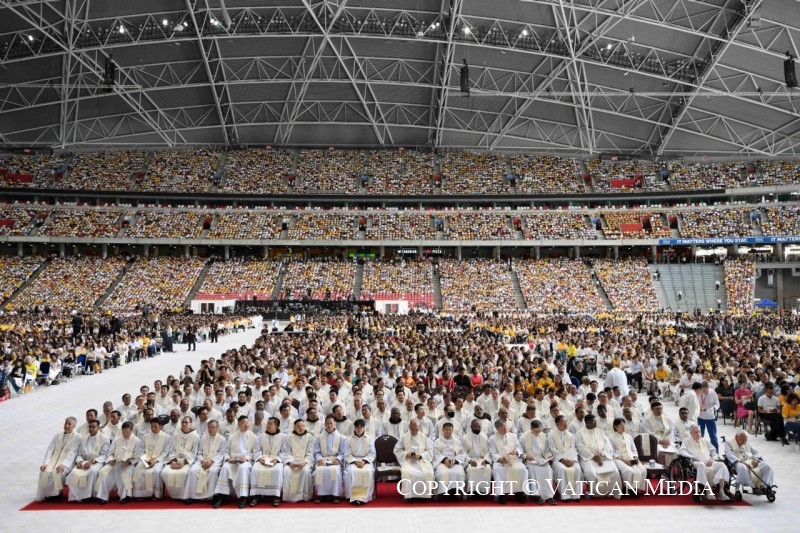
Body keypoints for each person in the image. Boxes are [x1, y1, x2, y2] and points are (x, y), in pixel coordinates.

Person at [214, 415, 258, 508]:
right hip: (233, 460)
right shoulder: (232, 436)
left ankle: (243, 497)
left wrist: (246, 458)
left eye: (247, 422)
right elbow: (226, 451)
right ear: (238, 424)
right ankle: (222, 496)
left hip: (245, 461)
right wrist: (228, 458)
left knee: (243, 468)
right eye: (243, 423)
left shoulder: (253, 436)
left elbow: (255, 452)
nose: (246, 424)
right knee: (225, 468)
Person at [94, 421, 142, 504]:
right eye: (123, 432)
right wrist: (110, 459)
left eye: (127, 432)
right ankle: (103, 496)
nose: (125, 434)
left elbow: (138, 455)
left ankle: (124, 496)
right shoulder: (117, 440)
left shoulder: (137, 441)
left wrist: (130, 461)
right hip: (115, 463)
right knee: (103, 472)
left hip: (127, 465)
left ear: (131, 430)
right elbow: (110, 453)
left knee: (125, 473)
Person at [575, 414, 622, 499]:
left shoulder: (600, 431)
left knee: (614, 472)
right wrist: (593, 456)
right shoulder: (579, 433)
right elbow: (580, 446)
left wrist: (603, 454)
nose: (596, 422)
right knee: (592, 473)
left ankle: (611, 492)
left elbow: (608, 444)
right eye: (594, 421)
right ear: (587, 422)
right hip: (589, 458)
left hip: (603, 456)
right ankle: (596, 494)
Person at [679, 425, 730, 501]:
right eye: (695, 432)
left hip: (708, 462)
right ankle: (708, 491)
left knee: (722, 465)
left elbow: (714, 452)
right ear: (691, 433)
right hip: (696, 462)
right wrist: (692, 457)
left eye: (699, 432)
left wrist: (712, 459)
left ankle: (721, 490)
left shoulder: (704, 441)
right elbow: (682, 451)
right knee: (701, 465)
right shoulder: (687, 441)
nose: (698, 434)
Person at [37, 417, 80, 502]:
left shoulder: (77, 437)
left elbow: (73, 453)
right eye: (65, 423)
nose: (66, 426)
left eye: (69, 424)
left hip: (67, 463)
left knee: (56, 473)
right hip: (54, 461)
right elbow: (50, 450)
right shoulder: (57, 436)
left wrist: (64, 464)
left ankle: (57, 494)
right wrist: (45, 463)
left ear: (74, 426)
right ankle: (46, 494)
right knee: (44, 472)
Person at [65, 419, 110, 502]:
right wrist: (79, 461)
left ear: (98, 427)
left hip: (97, 462)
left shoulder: (104, 438)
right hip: (84, 461)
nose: (91, 429)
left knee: (92, 471)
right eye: (90, 427)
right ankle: (77, 496)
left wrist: (92, 462)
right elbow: (79, 454)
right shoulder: (84, 438)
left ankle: (89, 495)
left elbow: (104, 455)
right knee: (74, 472)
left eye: (93, 427)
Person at [184, 420, 226, 505]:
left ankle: (213, 496)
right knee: (193, 471)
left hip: (215, 462)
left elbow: (222, 453)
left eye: (213, 427)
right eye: (209, 427)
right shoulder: (203, 438)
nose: (211, 429)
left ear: (217, 428)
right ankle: (192, 496)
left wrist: (211, 461)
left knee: (213, 472)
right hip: (202, 461)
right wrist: (202, 461)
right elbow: (199, 452)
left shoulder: (222, 439)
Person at [132, 417, 173, 500]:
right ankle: (141, 494)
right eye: (152, 427)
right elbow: (141, 450)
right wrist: (146, 460)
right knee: (138, 470)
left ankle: (156, 494)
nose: (153, 429)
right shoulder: (145, 436)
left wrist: (156, 460)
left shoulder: (167, 437)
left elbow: (166, 452)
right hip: (146, 459)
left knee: (156, 472)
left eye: (155, 426)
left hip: (159, 460)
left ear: (160, 426)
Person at [394, 418, 435, 499]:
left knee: (429, 472)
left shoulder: (423, 437)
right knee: (407, 472)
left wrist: (421, 456)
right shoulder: (404, 437)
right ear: (409, 427)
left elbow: (430, 450)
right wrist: (406, 454)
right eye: (412, 429)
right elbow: (397, 450)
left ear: (419, 428)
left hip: (422, 461)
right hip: (408, 461)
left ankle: (425, 495)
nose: (414, 432)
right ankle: (409, 495)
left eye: (416, 430)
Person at [489, 418, 527, 504]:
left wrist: (516, 451)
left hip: (513, 460)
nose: (505, 428)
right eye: (502, 427)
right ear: (497, 428)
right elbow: (493, 452)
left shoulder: (513, 436)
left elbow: (519, 447)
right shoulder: (492, 439)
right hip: (500, 462)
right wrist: (500, 459)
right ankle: (501, 494)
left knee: (523, 470)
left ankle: (520, 493)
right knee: (498, 470)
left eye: (505, 426)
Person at [249, 417, 286, 507]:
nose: (268, 425)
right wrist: (260, 458)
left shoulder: (283, 437)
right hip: (263, 459)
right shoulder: (261, 436)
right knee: (255, 470)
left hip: (275, 460)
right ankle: (256, 496)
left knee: (277, 471)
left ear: (276, 426)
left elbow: (285, 452)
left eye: (270, 424)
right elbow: (256, 450)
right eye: (267, 423)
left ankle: (276, 496)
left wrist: (277, 459)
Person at [161, 416, 199, 501]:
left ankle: (183, 496)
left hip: (186, 461)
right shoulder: (176, 435)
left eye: (186, 422)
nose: (184, 424)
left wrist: (184, 462)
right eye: (183, 422)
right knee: (164, 472)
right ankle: (173, 495)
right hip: (175, 460)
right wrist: (172, 461)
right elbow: (171, 450)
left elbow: (194, 453)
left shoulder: (195, 436)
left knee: (184, 473)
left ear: (191, 424)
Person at [520, 419, 557, 505]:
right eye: (535, 431)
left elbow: (547, 450)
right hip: (531, 460)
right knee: (532, 470)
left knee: (548, 470)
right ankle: (537, 495)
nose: (538, 432)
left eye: (539, 430)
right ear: (531, 428)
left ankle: (549, 496)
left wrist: (549, 456)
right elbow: (521, 451)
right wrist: (526, 456)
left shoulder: (543, 436)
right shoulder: (523, 437)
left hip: (541, 459)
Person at [547, 415, 583, 501]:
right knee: (563, 470)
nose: (566, 423)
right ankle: (565, 495)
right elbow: (552, 449)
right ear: (557, 423)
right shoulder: (551, 435)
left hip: (570, 459)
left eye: (566, 421)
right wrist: (562, 460)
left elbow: (573, 448)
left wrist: (573, 460)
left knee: (577, 469)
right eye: (564, 422)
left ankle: (576, 495)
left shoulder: (570, 435)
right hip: (558, 460)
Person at [610, 418, 647, 495]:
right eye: (621, 425)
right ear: (616, 427)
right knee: (628, 471)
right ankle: (629, 488)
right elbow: (611, 452)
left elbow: (634, 449)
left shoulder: (628, 436)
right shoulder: (611, 437)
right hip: (619, 458)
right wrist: (623, 460)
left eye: (624, 425)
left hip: (631, 457)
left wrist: (636, 457)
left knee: (643, 470)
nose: (624, 427)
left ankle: (637, 488)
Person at [343, 418, 376, 505]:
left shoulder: (369, 439)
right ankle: (353, 497)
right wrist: (355, 462)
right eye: (357, 427)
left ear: (364, 428)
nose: (359, 429)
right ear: (354, 428)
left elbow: (372, 453)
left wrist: (364, 461)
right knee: (351, 472)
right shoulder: (349, 440)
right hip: (353, 461)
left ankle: (364, 497)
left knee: (367, 472)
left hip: (366, 461)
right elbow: (347, 454)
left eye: (361, 427)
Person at [281, 419, 314, 502]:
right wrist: (290, 462)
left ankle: (303, 496)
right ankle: (289, 496)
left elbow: (310, 453)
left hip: (304, 462)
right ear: (294, 427)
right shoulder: (289, 437)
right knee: (286, 470)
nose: (301, 428)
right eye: (298, 426)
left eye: (302, 426)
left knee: (305, 471)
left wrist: (305, 462)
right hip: (292, 462)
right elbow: (287, 452)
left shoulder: (309, 437)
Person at [313, 415, 345, 503]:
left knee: (335, 471)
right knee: (319, 471)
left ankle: (335, 495)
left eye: (331, 423)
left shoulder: (341, 437)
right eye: (327, 423)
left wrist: (338, 459)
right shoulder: (319, 438)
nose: (329, 425)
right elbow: (316, 452)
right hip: (323, 459)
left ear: (334, 424)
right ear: (325, 424)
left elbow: (342, 452)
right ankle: (320, 495)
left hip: (335, 460)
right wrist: (319, 459)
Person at [432, 421, 467, 498]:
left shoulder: (457, 441)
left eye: (449, 430)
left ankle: (456, 491)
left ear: (452, 430)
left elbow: (461, 453)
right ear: (442, 430)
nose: (448, 431)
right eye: (446, 429)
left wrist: (455, 461)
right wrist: (444, 460)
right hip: (441, 462)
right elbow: (435, 453)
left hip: (454, 462)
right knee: (441, 473)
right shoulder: (437, 441)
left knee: (458, 473)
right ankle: (442, 493)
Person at [460, 418, 492, 495]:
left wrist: (486, 460)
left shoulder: (484, 437)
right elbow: (463, 452)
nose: (477, 428)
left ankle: (483, 491)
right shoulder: (465, 438)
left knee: (487, 469)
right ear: (471, 426)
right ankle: (473, 491)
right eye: (475, 426)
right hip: (471, 460)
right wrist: (470, 461)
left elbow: (488, 451)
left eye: (479, 426)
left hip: (482, 460)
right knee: (471, 470)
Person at [697, 381, 720, 451]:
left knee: (713, 436)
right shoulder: (698, 393)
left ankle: (716, 452)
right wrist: (698, 408)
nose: (705, 391)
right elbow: (694, 403)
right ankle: (700, 451)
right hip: (700, 416)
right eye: (703, 390)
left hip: (710, 417)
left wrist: (714, 408)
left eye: (706, 390)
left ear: (708, 388)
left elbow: (717, 404)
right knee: (700, 435)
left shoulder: (712, 393)